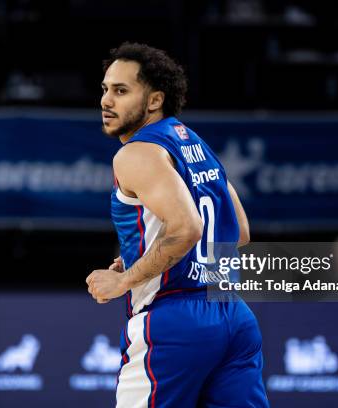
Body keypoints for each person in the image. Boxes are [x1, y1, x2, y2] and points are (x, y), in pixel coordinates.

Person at [86, 43, 269, 408]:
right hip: (233, 313)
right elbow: (239, 231)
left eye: (121, 91)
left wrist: (125, 280)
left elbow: (187, 229)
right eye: (105, 89)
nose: (107, 101)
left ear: (154, 100)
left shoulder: (136, 153)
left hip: (174, 322)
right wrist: (140, 254)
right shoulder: (194, 143)